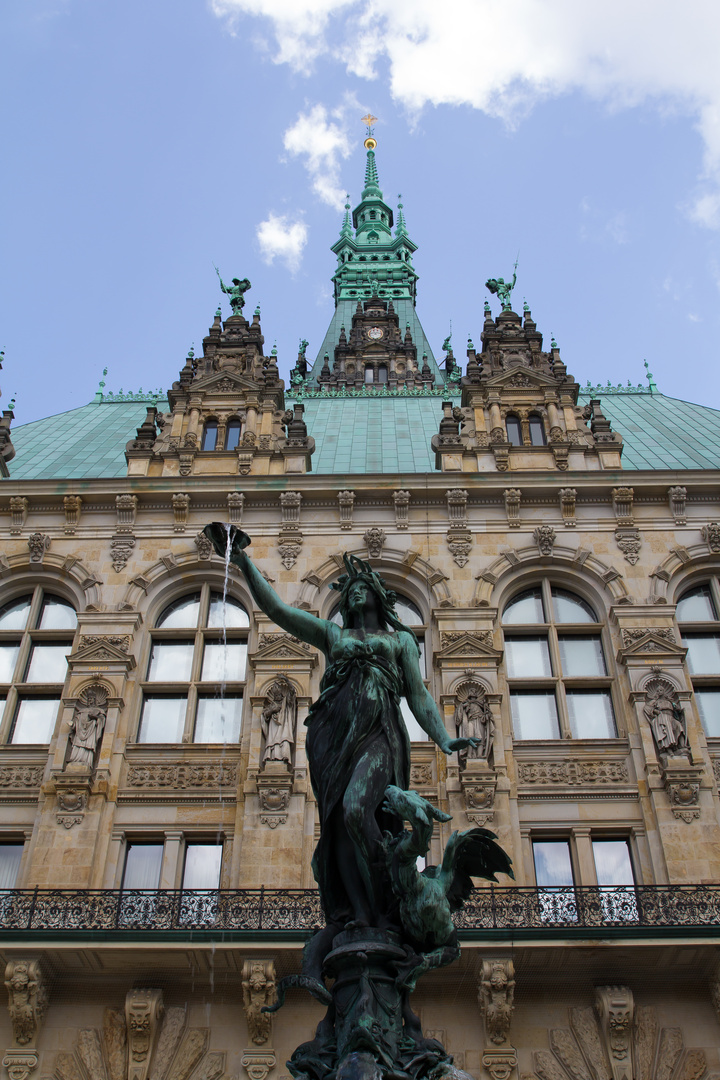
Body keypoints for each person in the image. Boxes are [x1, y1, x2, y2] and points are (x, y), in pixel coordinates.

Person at [203, 525, 477, 932]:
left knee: (355, 809)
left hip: (379, 731)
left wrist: (443, 737)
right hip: (332, 736)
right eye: (348, 588)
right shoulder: (334, 634)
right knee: (337, 826)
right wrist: (242, 561)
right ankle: (360, 912)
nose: (353, 592)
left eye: (361, 585)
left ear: (376, 595)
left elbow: (418, 696)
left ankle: (385, 890)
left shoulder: (400, 641)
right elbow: (278, 612)